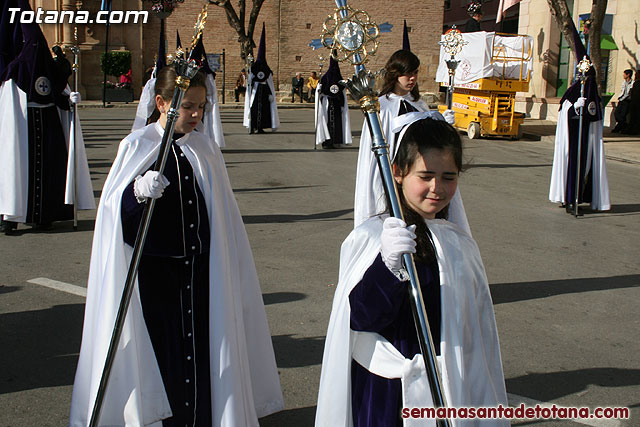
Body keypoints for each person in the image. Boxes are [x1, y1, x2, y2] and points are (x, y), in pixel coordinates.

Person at [69, 67, 284, 426]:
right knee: (164, 357)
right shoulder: (137, 146)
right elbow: (113, 219)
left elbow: (220, 216)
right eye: (187, 107)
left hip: (200, 273)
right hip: (155, 279)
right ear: (161, 103)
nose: (197, 115)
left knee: (203, 353)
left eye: (201, 107)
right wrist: (135, 195)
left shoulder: (206, 149)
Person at [316, 116, 508, 427]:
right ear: (398, 173)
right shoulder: (373, 237)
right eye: (426, 175)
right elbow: (361, 318)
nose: (437, 188)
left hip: (446, 388)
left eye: (449, 177)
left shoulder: (459, 245)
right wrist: (386, 268)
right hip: (387, 394)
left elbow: (474, 332)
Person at [0, 0, 94, 234]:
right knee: (16, 167)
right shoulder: (16, 72)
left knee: (47, 170)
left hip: (46, 125)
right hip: (23, 128)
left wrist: (70, 98)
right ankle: (10, 215)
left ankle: (45, 215)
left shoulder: (40, 67)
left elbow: (60, 96)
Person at [353, 49, 463, 230]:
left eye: (415, 73)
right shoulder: (383, 106)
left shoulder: (419, 104)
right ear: (395, 75)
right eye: (406, 74)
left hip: (421, 170)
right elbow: (374, 153)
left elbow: (431, 141)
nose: (412, 79)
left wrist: (444, 125)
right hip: (396, 173)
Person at [549, 22, 610, 214]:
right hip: (573, 139)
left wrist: (589, 112)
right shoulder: (573, 92)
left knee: (585, 167)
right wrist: (575, 109)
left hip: (587, 140)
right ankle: (569, 197)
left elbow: (595, 117)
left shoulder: (592, 92)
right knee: (573, 166)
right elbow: (564, 112)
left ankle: (581, 196)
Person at [244, 23, 279, 134]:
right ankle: (253, 126)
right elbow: (250, 80)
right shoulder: (254, 68)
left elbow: (269, 82)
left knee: (264, 110)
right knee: (254, 109)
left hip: (263, 92)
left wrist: (270, 93)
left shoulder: (266, 69)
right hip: (255, 91)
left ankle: (260, 127)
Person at [314, 55, 352, 149]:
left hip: (332, 103)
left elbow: (341, 91)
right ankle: (328, 141)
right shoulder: (331, 78)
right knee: (329, 121)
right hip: (332, 103)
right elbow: (342, 92)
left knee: (333, 122)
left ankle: (333, 140)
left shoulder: (326, 78)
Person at [612, 69, 633, 133]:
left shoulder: (632, 83)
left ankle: (618, 128)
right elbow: (622, 91)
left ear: (628, 75)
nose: (623, 75)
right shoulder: (624, 82)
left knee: (623, 115)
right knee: (616, 113)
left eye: (624, 74)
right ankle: (624, 125)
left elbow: (629, 93)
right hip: (621, 100)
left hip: (627, 101)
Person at [622, 70, 640, 135]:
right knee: (632, 117)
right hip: (633, 103)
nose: (635, 75)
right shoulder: (635, 83)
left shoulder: (636, 83)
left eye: (637, 74)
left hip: (636, 103)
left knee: (635, 117)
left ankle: (634, 129)